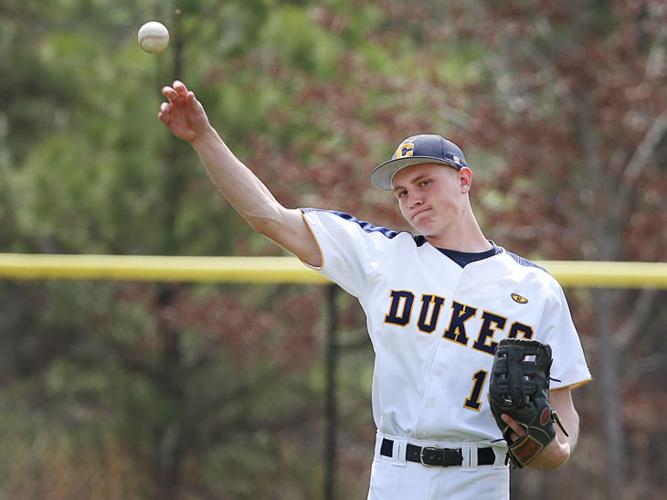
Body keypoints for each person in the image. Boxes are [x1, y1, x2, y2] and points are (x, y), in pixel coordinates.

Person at [158, 80, 591, 499]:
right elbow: (268, 217)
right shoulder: (381, 255)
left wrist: (549, 449)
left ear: (464, 180)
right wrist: (204, 138)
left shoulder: (535, 288)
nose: (412, 199)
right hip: (396, 474)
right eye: (402, 192)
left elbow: (563, 425)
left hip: (481, 479)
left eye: (425, 183)